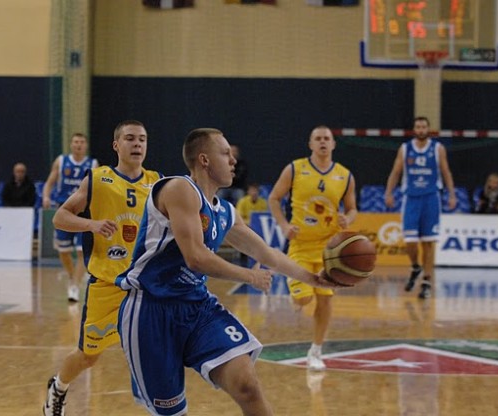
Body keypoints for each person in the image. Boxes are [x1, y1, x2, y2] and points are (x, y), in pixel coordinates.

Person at [115, 128, 338, 415]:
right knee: (173, 412)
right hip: (151, 310)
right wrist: (249, 276)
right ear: (204, 160)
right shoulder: (179, 189)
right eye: (225, 154)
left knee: (247, 385)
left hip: (197, 307)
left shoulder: (224, 212)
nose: (233, 160)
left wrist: (315, 279)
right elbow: (196, 257)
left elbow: (267, 254)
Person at [43, 120, 162, 416]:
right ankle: (58, 387)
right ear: (116, 145)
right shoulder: (98, 179)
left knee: (158, 349)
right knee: (88, 356)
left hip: (145, 286)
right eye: (130, 138)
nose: (137, 144)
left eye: (142, 139)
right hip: (106, 285)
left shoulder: (158, 182)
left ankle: (164, 406)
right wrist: (91, 224)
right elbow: (59, 217)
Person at [268, 125, 357, 371]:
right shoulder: (295, 169)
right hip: (300, 245)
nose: (323, 142)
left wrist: (348, 219)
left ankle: (316, 351)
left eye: (327, 138)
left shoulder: (345, 175)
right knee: (304, 298)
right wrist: (284, 225)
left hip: (329, 249)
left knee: (325, 300)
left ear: (333, 144)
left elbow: (352, 208)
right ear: (310, 144)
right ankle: (297, 296)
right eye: (318, 138)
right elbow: (274, 198)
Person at [384, 116, 456, 299]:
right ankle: (416, 266)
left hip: (431, 198)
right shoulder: (405, 148)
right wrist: (389, 192)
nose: (421, 129)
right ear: (414, 129)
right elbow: (396, 172)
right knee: (410, 241)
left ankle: (427, 281)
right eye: (418, 127)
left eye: (424, 127)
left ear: (428, 129)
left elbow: (446, 172)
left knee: (429, 242)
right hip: (411, 198)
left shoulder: (438, 148)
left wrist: (452, 194)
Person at [42, 133, 99, 302]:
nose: (78, 145)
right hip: (65, 211)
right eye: (76, 142)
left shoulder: (93, 164)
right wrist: (46, 196)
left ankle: (74, 285)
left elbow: (99, 187)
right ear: (71, 145)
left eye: (81, 142)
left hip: (84, 212)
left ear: (86, 146)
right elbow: (50, 182)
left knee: (82, 252)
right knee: (64, 251)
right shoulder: (61, 161)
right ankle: (72, 276)